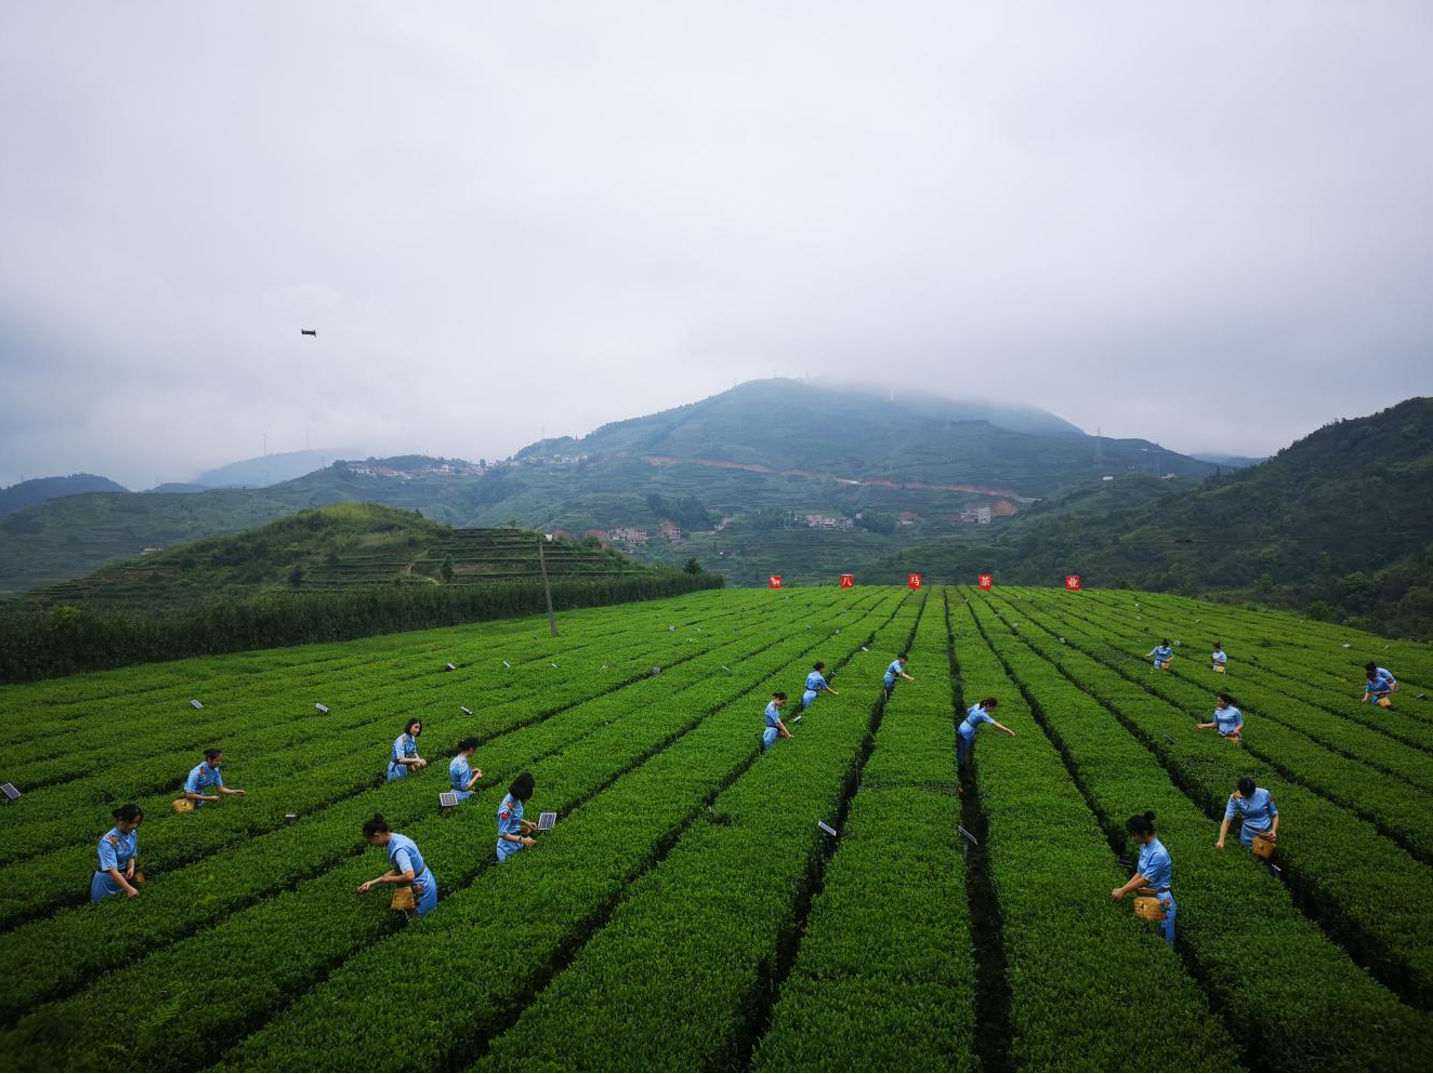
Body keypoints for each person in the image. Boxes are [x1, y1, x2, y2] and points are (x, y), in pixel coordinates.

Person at [1111, 811, 1175, 947]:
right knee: (1146, 934)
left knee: (1163, 939)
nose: (1132, 838)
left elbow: (1146, 879)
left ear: (1145, 834)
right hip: (1147, 897)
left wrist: (1123, 891)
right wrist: (1123, 889)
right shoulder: (1144, 846)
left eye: (1133, 835)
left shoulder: (1159, 854)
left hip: (1161, 900)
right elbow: (1140, 873)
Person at [356, 814, 437, 919]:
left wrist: (388, 879)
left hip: (422, 888)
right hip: (423, 880)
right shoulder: (394, 838)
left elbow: (409, 876)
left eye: (370, 841)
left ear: (376, 835)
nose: (372, 844)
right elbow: (398, 870)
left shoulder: (399, 850)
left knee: (417, 922)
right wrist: (371, 883)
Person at [957, 698, 1015, 791]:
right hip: (966, 732)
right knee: (964, 755)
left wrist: (971, 719)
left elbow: (968, 710)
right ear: (989, 706)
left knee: (962, 749)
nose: (993, 710)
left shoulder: (977, 706)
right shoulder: (983, 715)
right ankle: (962, 773)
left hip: (962, 726)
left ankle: (961, 765)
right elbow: (996, 724)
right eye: (993, 708)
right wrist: (1008, 731)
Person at [92, 804, 143, 904]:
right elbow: (112, 870)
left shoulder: (132, 833)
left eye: (137, 823)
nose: (134, 826)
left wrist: (131, 867)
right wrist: (129, 889)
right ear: (121, 819)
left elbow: (131, 854)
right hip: (107, 883)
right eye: (131, 822)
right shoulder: (107, 841)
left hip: (123, 880)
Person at [1216, 776, 1280, 852]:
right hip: (1248, 836)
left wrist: (1273, 831)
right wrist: (1221, 840)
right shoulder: (1235, 798)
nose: (1247, 797)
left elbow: (1275, 815)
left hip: (1265, 834)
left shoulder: (1266, 794)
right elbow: (1227, 820)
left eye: (1250, 794)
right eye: (1245, 795)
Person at [497, 772, 538, 862]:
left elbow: (514, 819)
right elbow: (502, 833)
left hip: (517, 845)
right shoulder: (506, 810)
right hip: (507, 850)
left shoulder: (516, 799)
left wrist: (527, 823)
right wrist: (522, 840)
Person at [448, 738, 483, 802]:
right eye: (475, 750)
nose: (475, 752)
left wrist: (471, 772)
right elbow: (465, 787)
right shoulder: (464, 766)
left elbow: (458, 776)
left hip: (453, 792)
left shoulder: (455, 760)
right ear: (471, 749)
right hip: (461, 795)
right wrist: (476, 777)